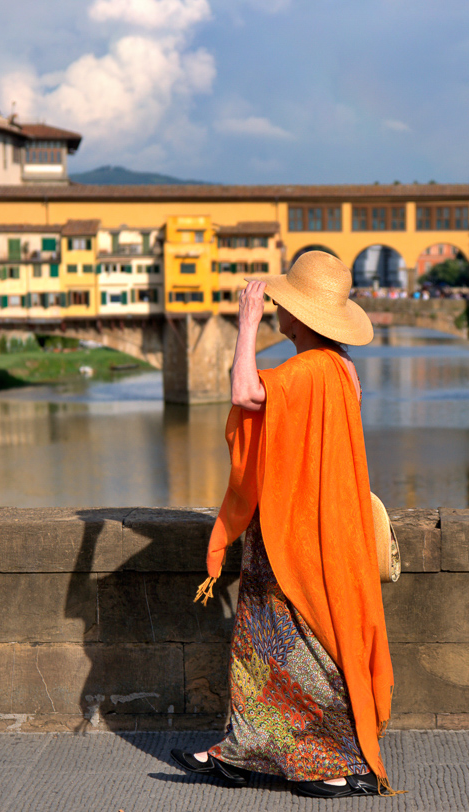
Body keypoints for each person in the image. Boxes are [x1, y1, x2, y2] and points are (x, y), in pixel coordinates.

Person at [170, 250, 395, 799]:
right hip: (315, 526)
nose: (275, 308)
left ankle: (335, 762)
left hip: (297, 534)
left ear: (301, 316)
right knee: (265, 646)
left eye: (282, 304)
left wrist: (245, 327)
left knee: (303, 646)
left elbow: (245, 393)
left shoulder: (309, 370)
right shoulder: (341, 368)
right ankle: (245, 753)